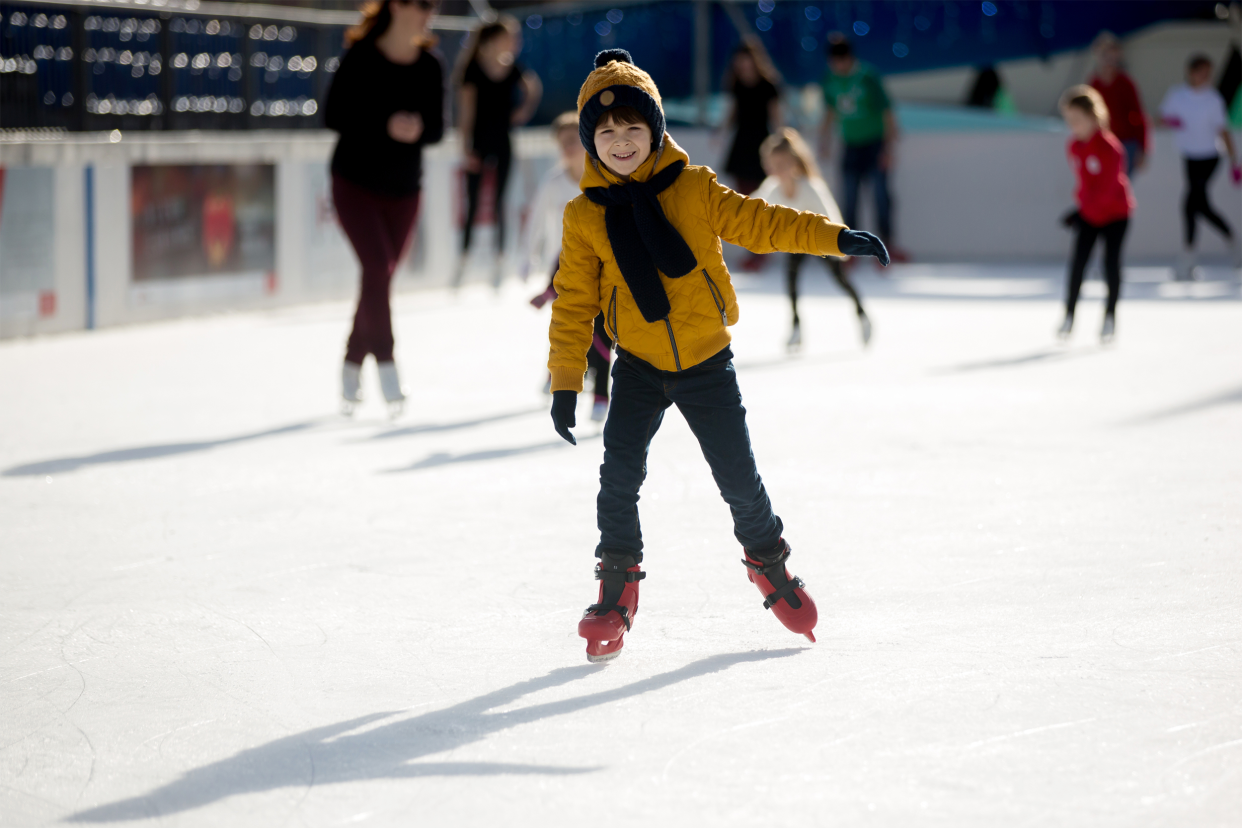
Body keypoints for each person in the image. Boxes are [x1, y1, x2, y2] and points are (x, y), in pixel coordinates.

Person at [547, 50, 890, 663]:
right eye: (606, 132)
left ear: (654, 130)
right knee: (617, 480)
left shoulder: (693, 186)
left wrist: (835, 238)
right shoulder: (584, 216)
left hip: (707, 361)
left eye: (632, 128)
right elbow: (573, 303)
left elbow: (764, 223)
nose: (621, 142)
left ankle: (768, 561)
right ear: (589, 140)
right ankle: (615, 587)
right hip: (639, 366)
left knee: (739, 479)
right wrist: (567, 383)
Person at [324, 0, 444, 416]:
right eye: (423, 3)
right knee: (377, 270)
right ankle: (388, 367)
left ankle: (351, 364)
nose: (430, 11)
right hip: (354, 184)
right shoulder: (360, 56)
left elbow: (438, 129)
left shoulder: (430, 65)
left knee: (380, 277)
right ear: (397, 4)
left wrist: (418, 129)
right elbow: (333, 115)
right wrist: (385, 124)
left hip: (404, 190)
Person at [523, 113, 613, 422]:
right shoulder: (554, 182)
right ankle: (561, 370)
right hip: (563, 265)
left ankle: (601, 392)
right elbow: (535, 220)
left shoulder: (604, 178)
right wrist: (528, 258)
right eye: (562, 142)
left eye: (573, 140)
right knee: (570, 325)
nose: (567, 147)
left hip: (601, 263)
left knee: (601, 327)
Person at [754, 128, 871, 349]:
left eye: (781, 165)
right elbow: (749, 207)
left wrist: (841, 247)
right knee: (791, 280)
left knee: (840, 279)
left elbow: (832, 216)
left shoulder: (810, 188)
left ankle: (862, 315)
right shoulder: (771, 187)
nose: (776, 171)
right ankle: (796, 327)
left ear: (794, 163)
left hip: (820, 240)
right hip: (796, 242)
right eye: (773, 165)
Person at [453, 16, 542, 288]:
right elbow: (466, 113)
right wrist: (465, 148)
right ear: (494, 39)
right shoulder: (473, 70)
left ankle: (500, 259)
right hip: (478, 144)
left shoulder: (513, 68)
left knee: (502, 201)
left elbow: (532, 88)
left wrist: (523, 111)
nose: (515, 42)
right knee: (473, 200)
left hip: (503, 143)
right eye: (510, 36)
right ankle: (464, 259)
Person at [818, 33, 907, 263]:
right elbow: (829, 112)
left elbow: (886, 110)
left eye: (842, 61)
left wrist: (888, 148)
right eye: (834, 62)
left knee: (881, 197)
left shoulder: (867, 76)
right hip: (850, 145)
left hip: (874, 144)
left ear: (850, 58)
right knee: (848, 198)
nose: (838, 66)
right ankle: (851, 250)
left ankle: (888, 246)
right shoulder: (830, 79)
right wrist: (824, 141)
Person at [1057, 86, 1134, 344]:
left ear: (1092, 116)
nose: (1073, 126)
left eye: (1077, 120)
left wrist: (1082, 211)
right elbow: (1084, 184)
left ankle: (1110, 316)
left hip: (1116, 214)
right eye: (1069, 121)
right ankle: (1069, 315)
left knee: (1110, 264)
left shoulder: (1111, 148)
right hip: (1090, 214)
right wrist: (1080, 209)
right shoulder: (1074, 147)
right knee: (1078, 263)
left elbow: (1107, 190)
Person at [1160, 54, 1241, 280]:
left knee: (1190, 203)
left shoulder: (1213, 99)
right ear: (1190, 71)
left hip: (1210, 157)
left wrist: (1235, 161)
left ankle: (1188, 258)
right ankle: (1230, 240)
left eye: (1208, 72)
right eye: (1201, 71)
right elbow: (1163, 117)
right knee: (1200, 205)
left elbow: (1222, 130)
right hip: (1190, 157)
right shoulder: (1178, 95)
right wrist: (1170, 121)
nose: (1204, 77)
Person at [722, 38, 781, 196]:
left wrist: (781, 137)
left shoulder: (768, 85)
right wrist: (721, 130)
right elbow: (732, 112)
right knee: (743, 192)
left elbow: (776, 117)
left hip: (762, 142)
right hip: (742, 143)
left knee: (764, 190)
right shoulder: (737, 84)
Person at [1089, 32, 1149, 178]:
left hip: (1126, 144)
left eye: (1112, 55)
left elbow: (1138, 116)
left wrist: (1143, 149)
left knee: (1120, 188)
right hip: (1102, 144)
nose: (1108, 59)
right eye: (1104, 54)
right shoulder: (1094, 84)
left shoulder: (1126, 83)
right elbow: (1089, 118)